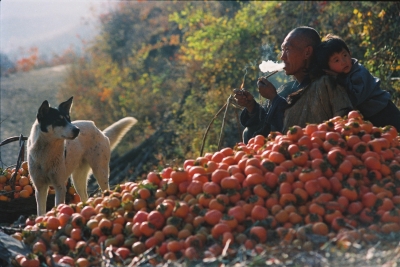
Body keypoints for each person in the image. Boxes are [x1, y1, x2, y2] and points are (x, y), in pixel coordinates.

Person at [235, 26, 353, 144]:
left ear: (307, 52)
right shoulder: (287, 88)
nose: (282, 57)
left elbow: (296, 131)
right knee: (248, 131)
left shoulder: (326, 84)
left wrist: (274, 99)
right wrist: (252, 107)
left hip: (314, 155)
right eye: (282, 50)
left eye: (287, 49)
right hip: (279, 157)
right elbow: (265, 130)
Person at [313, 34, 400, 131]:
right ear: (328, 68)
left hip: (384, 110)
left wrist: (338, 79)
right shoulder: (343, 75)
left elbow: (355, 97)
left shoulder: (359, 73)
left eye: (345, 55)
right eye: (336, 60)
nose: (343, 61)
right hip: (371, 114)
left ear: (350, 54)